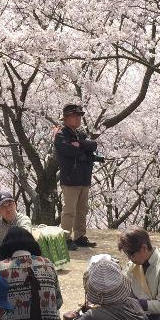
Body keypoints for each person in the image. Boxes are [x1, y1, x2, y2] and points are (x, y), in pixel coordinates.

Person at [54, 102, 99, 249]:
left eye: (79, 115)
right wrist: (83, 149)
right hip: (70, 179)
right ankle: (65, 238)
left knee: (82, 209)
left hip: (84, 177)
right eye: (75, 115)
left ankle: (80, 236)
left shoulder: (81, 134)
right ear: (66, 118)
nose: (78, 118)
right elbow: (68, 150)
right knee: (69, 211)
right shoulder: (61, 135)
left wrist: (80, 144)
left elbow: (93, 146)